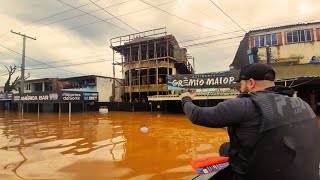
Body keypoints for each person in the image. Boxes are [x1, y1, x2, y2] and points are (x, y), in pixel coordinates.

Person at [181, 63, 320, 180]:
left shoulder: (243, 105)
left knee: (226, 152)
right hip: (302, 172)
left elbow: (197, 115)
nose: (240, 88)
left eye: (241, 84)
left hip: (257, 175)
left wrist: (186, 99)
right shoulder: (302, 104)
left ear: (251, 83)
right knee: (225, 147)